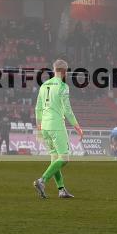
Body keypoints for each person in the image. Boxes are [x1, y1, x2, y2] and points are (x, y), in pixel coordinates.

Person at [33, 59, 83, 199]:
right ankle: (42, 180)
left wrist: (39, 124)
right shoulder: (63, 87)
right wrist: (77, 126)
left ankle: (61, 190)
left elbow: (38, 108)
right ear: (65, 72)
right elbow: (67, 110)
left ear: (53, 69)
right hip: (56, 125)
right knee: (65, 158)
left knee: (55, 158)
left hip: (45, 126)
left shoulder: (44, 85)